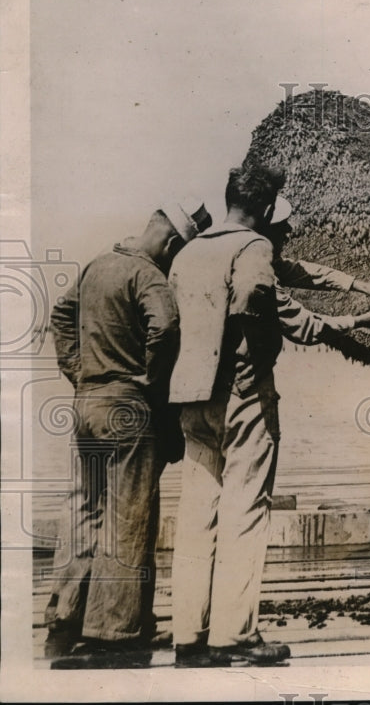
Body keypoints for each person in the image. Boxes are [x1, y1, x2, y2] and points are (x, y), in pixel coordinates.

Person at [168, 164, 370, 667]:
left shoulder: (191, 250)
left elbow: (295, 274)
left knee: (197, 514)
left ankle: (189, 634)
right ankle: (234, 634)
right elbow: (263, 299)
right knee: (246, 509)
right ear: (268, 209)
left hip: (192, 395)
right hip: (242, 392)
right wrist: (351, 322)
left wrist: (357, 285)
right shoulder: (253, 249)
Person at [45, 200, 212, 668]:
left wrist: (78, 371)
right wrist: (148, 381)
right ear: (174, 243)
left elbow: (61, 316)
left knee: (86, 509)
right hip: (126, 407)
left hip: (86, 404)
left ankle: (65, 618)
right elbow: (167, 327)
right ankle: (114, 633)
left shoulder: (98, 264)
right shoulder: (148, 275)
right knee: (129, 516)